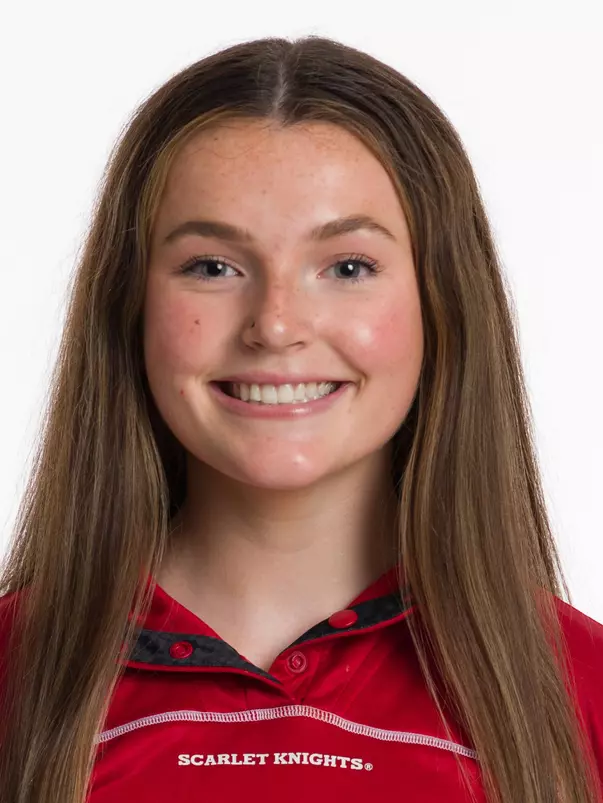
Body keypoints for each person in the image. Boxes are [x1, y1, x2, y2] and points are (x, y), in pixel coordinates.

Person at [0, 35, 602, 803]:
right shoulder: (13, 674)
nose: (276, 324)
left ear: (441, 305)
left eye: (347, 267)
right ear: (131, 307)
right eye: (212, 266)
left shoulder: (583, 688)